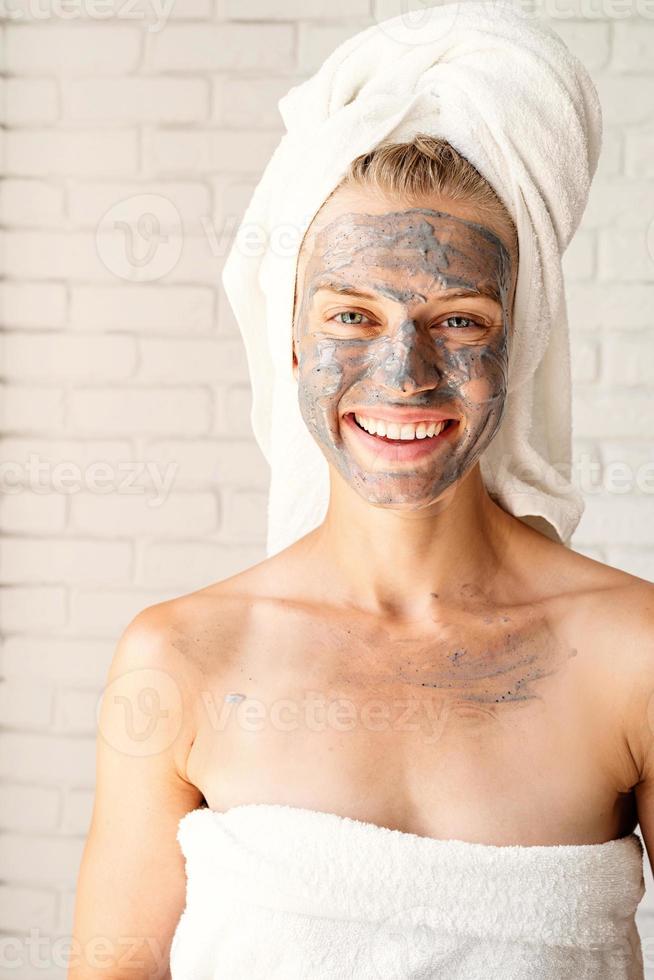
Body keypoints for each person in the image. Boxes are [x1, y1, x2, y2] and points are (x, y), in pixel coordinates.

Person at [68, 6, 654, 980]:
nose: (403, 371)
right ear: (288, 341)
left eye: (458, 319)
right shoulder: (179, 657)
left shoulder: (634, 653)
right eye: (353, 313)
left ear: (522, 343)